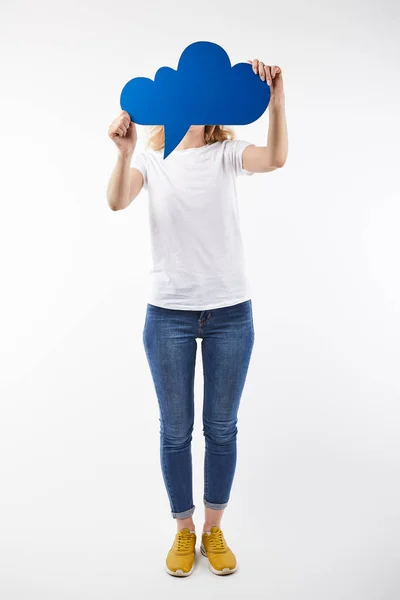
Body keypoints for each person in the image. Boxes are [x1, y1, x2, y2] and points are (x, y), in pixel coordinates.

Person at [106, 59, 288, 576]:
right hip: (169, 315)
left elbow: (275, 158)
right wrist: (122, 155)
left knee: (222, 429)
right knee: (175, 431)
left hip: (231, 311)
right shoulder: (153, 158)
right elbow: (117, 200)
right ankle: (184, 531)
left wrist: (276, 100)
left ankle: (214, 528)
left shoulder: (227, 153)